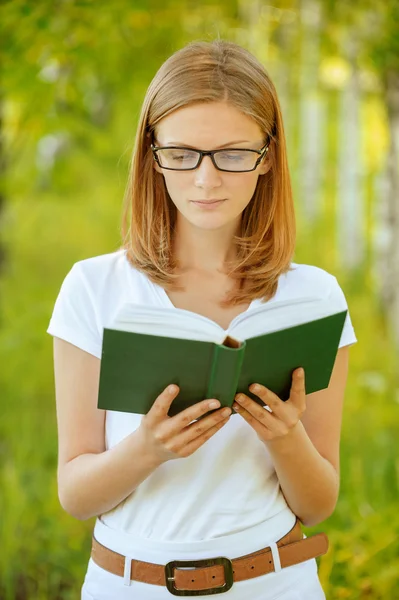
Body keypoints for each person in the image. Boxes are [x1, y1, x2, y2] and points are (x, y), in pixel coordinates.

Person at [47, 39, 357, 600]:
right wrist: (148, 448)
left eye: (233, 154)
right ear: (151, 153)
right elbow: (75, 495)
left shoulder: (316, 297)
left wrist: (286, 439)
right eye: (182, 153)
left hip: (275, 583)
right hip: (128, 584)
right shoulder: (94, 288)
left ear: (267, 157)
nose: (205, 180)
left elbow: (317, 504)